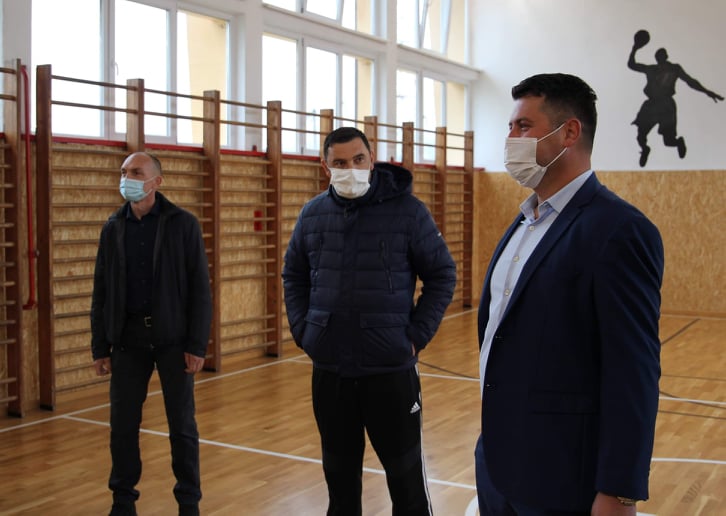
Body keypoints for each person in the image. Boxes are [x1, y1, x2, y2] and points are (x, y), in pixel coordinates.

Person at [475, 74, 664, 515]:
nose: (511, 138)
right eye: (510, 127)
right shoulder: (523, 223)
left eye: (524, 126)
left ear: (570, 132)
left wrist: (619, 490)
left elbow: (633, 370)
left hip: (562, 477)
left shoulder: (619, 230)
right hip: (498, 466)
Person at [283, 127, 456, 515]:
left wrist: (415, 336)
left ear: (372, 160)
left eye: (358, 159)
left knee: (407, 486)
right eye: (340, 162)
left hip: (390, 373)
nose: (351, 169)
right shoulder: (313, 215)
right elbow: (293, 274)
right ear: (325, 166)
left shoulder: (408, 212)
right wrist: (305, 331)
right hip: (331, 373)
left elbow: (442, 274)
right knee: (340, 485)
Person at [91, 151, 212, 516]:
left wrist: (197, 344)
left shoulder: (183, 224)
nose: (127, 177)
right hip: (127, 341)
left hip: (173, 341)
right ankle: (123, 501)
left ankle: (188, 502)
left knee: (182, 426)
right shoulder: (113, 226)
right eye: (124, 171)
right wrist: (100, 346)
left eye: (136, 172)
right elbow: (101, 291)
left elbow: (200, 289)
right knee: (123, 426)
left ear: (156, 181)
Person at [628, 30, 723, 166]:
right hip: (652, 105)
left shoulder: (674, 69)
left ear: (666, 57)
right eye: (658, 56)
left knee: (668, 141)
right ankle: (645, 149)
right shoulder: (652, 69)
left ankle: (678, 142)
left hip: (666, 106)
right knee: (641, 134)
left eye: (662, 55)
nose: (660, 58)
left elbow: (691, 81)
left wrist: (707, 92)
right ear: (657, 58)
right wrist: (634, 48)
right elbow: (631, 65)